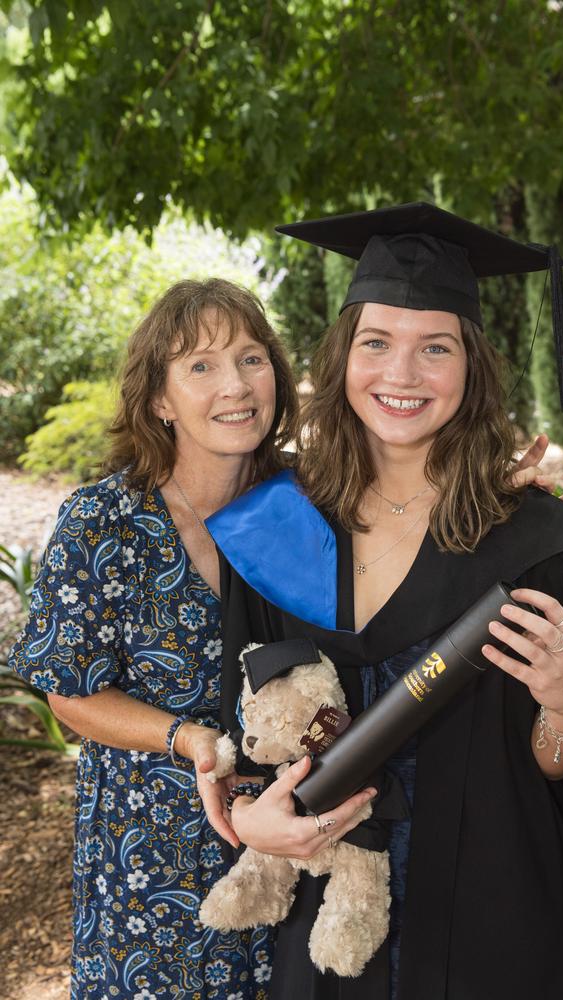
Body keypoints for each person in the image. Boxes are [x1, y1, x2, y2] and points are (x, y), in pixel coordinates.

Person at [207, 205, 563, 1000]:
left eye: (434, 348)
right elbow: (250, 731)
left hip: (493, 915)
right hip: (324, 907)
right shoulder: (281, 526)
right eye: (376, 343)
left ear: (472, 367)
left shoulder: (548, 551)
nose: (401, 375)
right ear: (344, 356)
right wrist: (251, 817)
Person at [9, 278, 299, 1000]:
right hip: (153, 854)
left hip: (288, 843)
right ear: (160, 400)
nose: (234, 384)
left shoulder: (301, 509)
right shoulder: (102, 523)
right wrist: (191, 739)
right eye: (200, 365)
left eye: (250, 358)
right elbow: (67, 695)